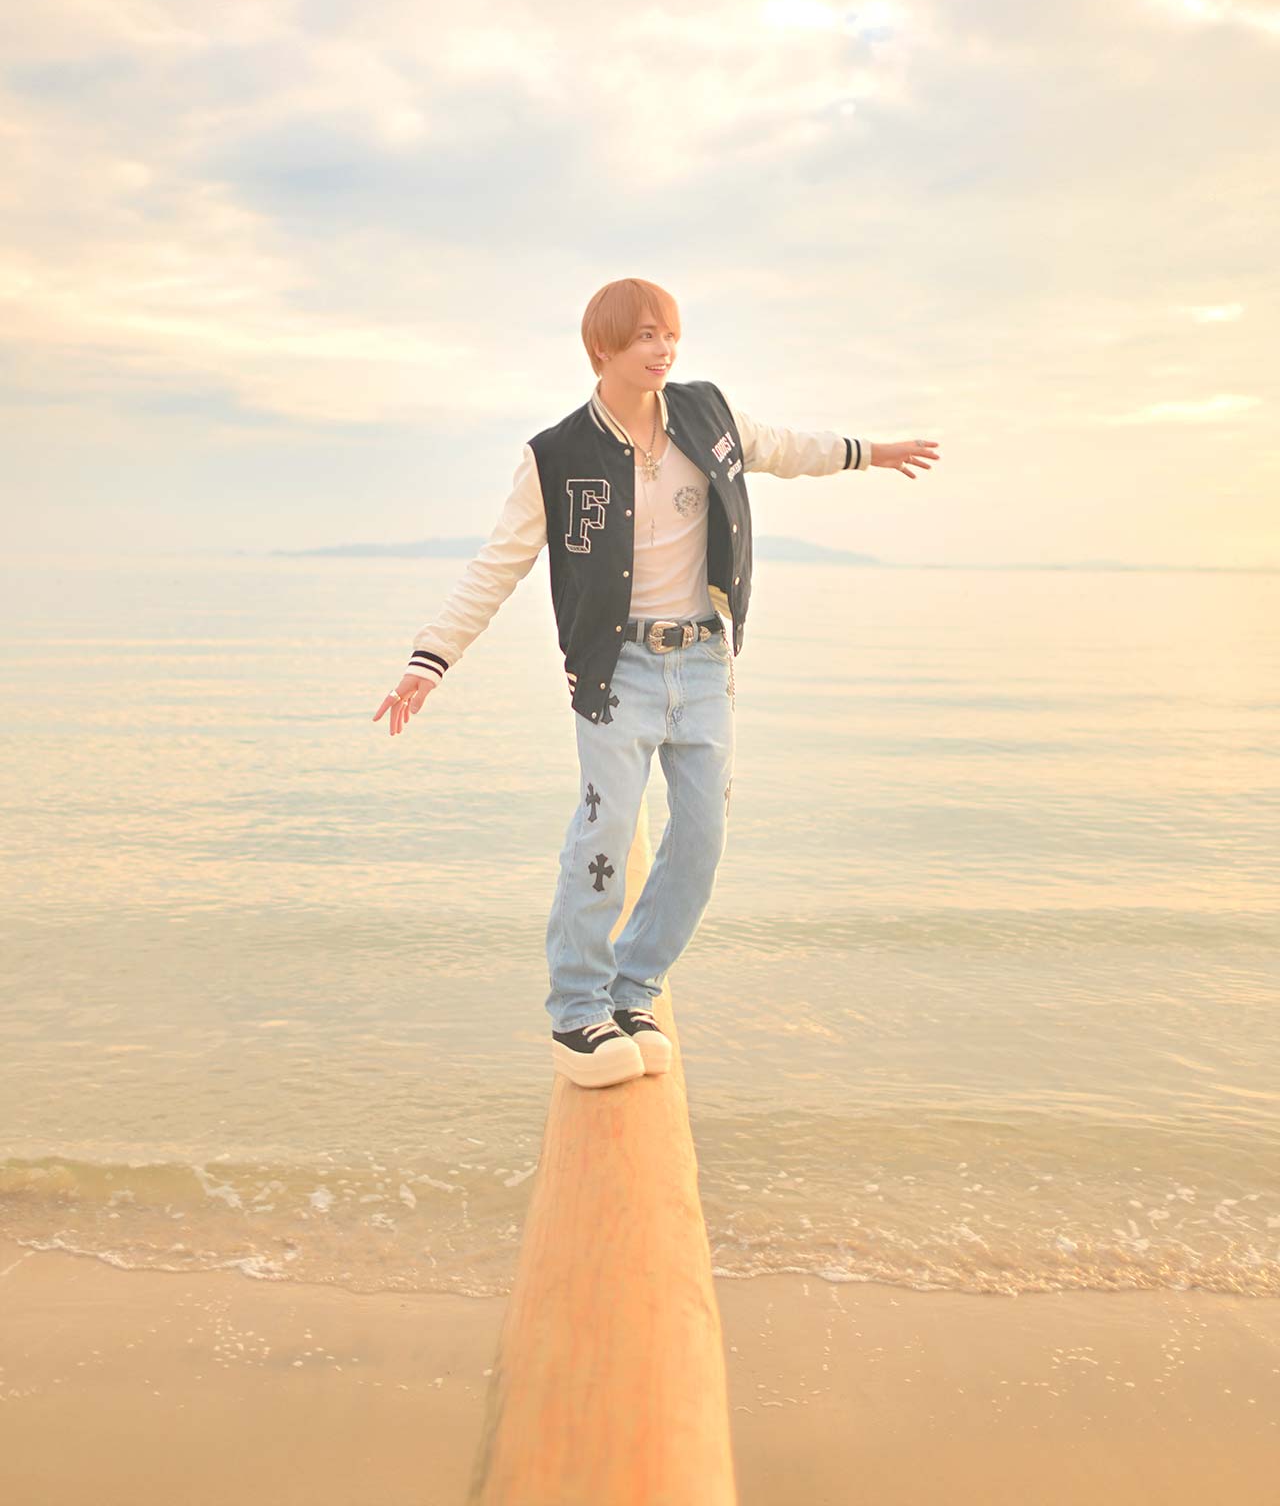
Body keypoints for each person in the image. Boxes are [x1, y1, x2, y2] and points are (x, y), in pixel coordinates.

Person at [373, 277, 939, 1089]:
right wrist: (430, 659)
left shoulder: (709, 415)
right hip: (617, 670)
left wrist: (869, 453)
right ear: (602, 348)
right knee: (603, 833)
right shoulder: (556, 456)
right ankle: (577, 1010)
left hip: (705, 660)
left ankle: (634, 988)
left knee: (703, 837)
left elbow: (788, 448)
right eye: (645, 336)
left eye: (670, 334)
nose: (663, 349)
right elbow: (499, 565)